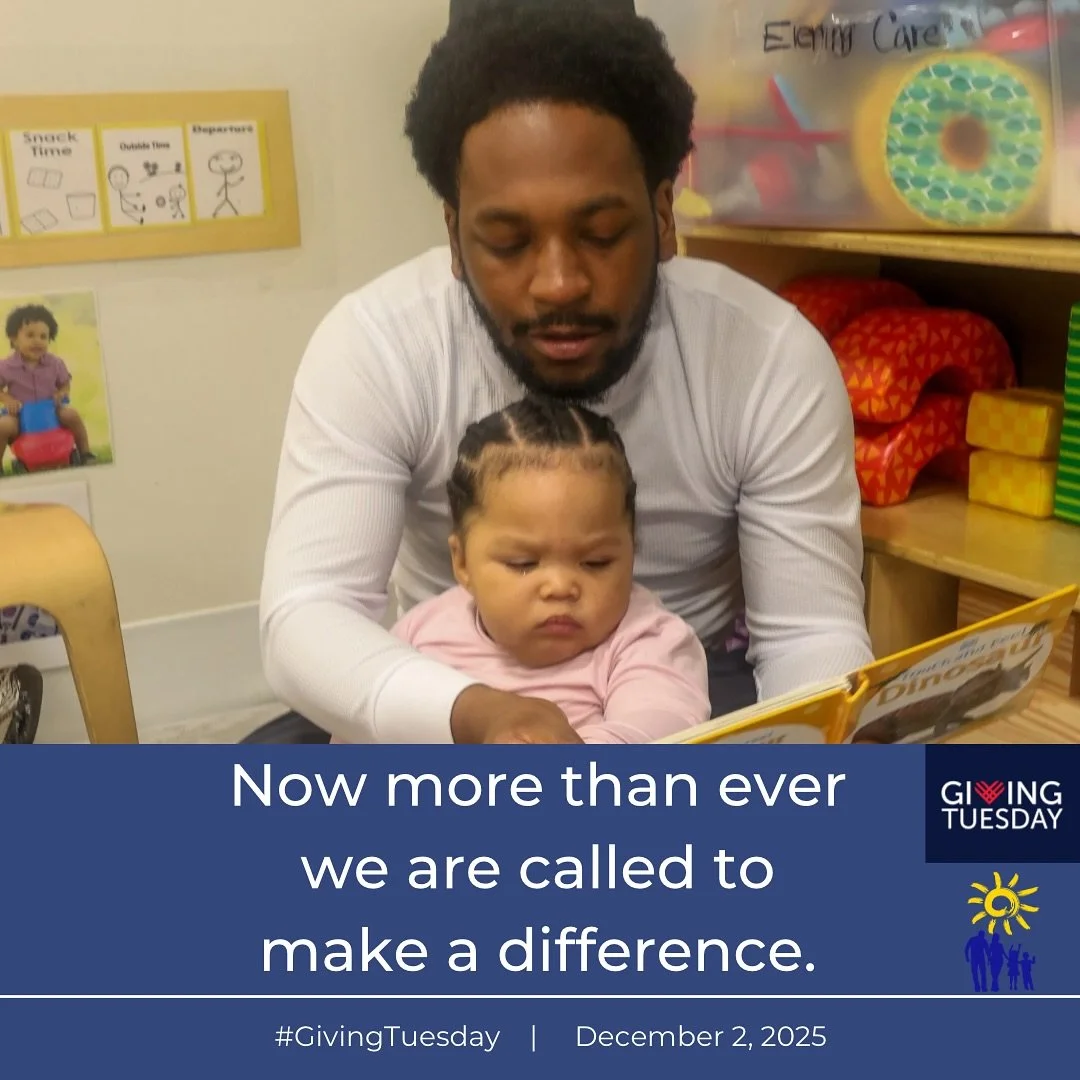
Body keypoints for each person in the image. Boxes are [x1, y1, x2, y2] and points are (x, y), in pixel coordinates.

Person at [252, 0, 873, 745]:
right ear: (454, 234)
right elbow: (306, 615)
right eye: (508, 243)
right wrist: (475, 715)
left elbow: (810, 635)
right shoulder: (377, 345)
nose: (558, 284)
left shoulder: (769, 357)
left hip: (685, 691)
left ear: (665, 214)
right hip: (456, 686)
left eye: (602, 234)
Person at [331, 394, 712, 745]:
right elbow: (361, 730)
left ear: (632, 550)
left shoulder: (647, 639)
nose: (560, 586)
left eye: (596, 562)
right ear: (462, 562)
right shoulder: (422, 634)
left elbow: (661, 729)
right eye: (523, 564)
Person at [0, 304, 95, 468]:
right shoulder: (6, 366)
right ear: (14, 338)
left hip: (51, 411)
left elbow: (65, 383)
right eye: (30, 335)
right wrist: (7, 398)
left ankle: (85, 452)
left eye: (43, 337)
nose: (37, 341)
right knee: (3, 425)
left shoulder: (55, 363)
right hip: (20, 414)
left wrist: (62, 393)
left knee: (71, 414)